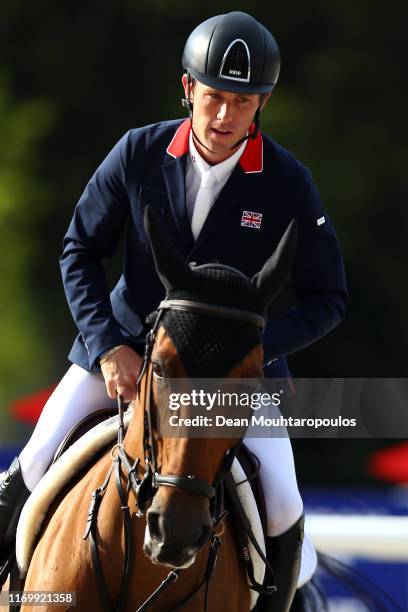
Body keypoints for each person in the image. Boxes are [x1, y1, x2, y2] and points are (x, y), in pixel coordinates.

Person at [0, 11, 347, 611]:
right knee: (29, 468)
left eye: (242, 102)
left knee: (285, 507)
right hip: (126, 353)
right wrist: (109, 345)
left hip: (233, 378)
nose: (223, 117)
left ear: (261, 102)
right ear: (188, 88)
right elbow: (80, 249)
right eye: (213, 97)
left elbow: (328, 298)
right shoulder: (138, 152)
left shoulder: (288, 182)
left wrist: (252, 356)